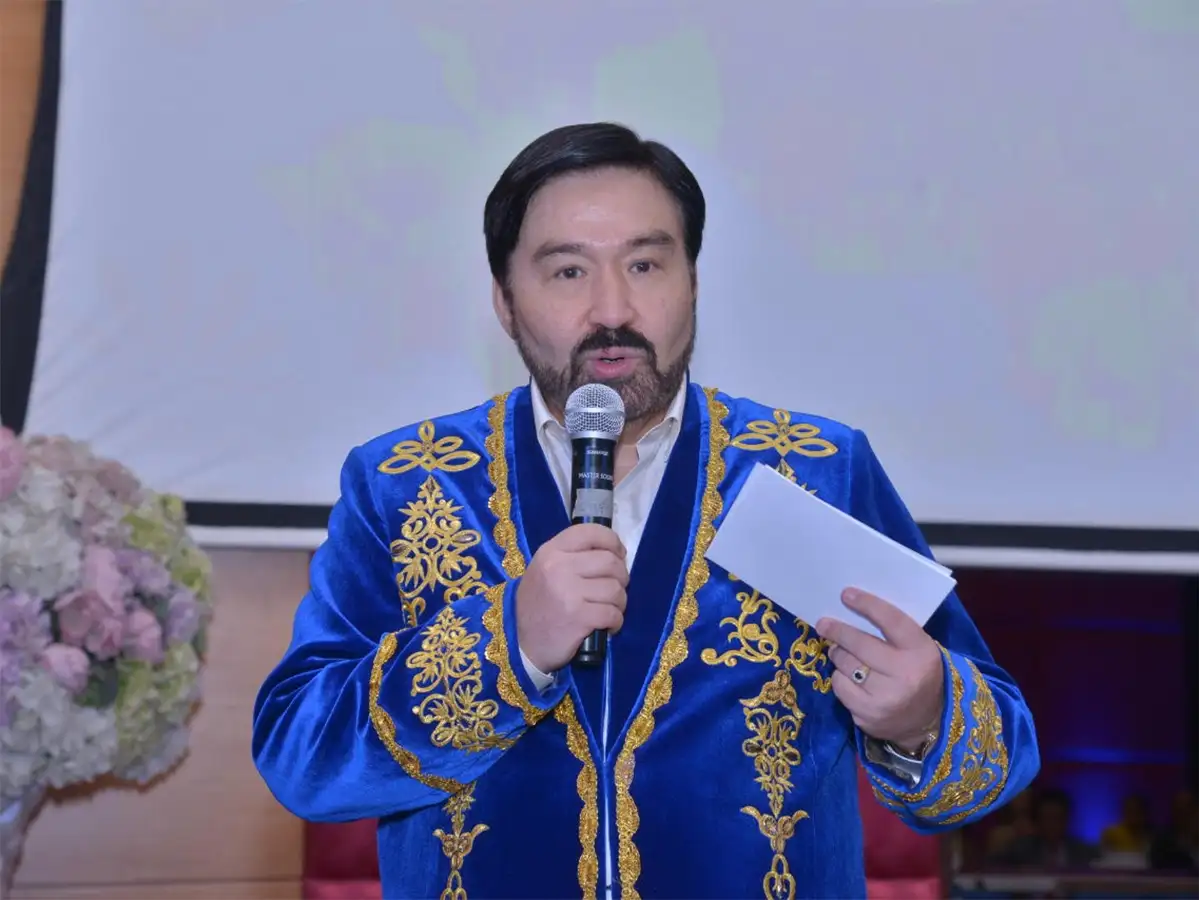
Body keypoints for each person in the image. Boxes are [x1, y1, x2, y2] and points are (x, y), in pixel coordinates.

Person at [252, 122, 1040, 900]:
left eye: (645, 264)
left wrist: (924, 717)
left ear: (692, 282)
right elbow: (300, 756)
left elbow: (996, 760)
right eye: (568, 271)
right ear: (504, 301)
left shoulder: (814, 472)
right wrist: (507, 644)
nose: (613, 309)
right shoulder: (407, 485)